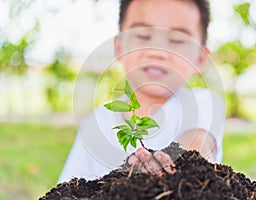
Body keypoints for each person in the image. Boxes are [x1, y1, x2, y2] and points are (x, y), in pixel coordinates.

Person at [58, 0, 225, 183]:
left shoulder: (202, 102)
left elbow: (198, 143)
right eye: (143, 36)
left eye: (177, 40)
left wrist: (182, 166)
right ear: (119, 46)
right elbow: (68, 186)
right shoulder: (95, 124)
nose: (158, 51)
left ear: (200, 58)